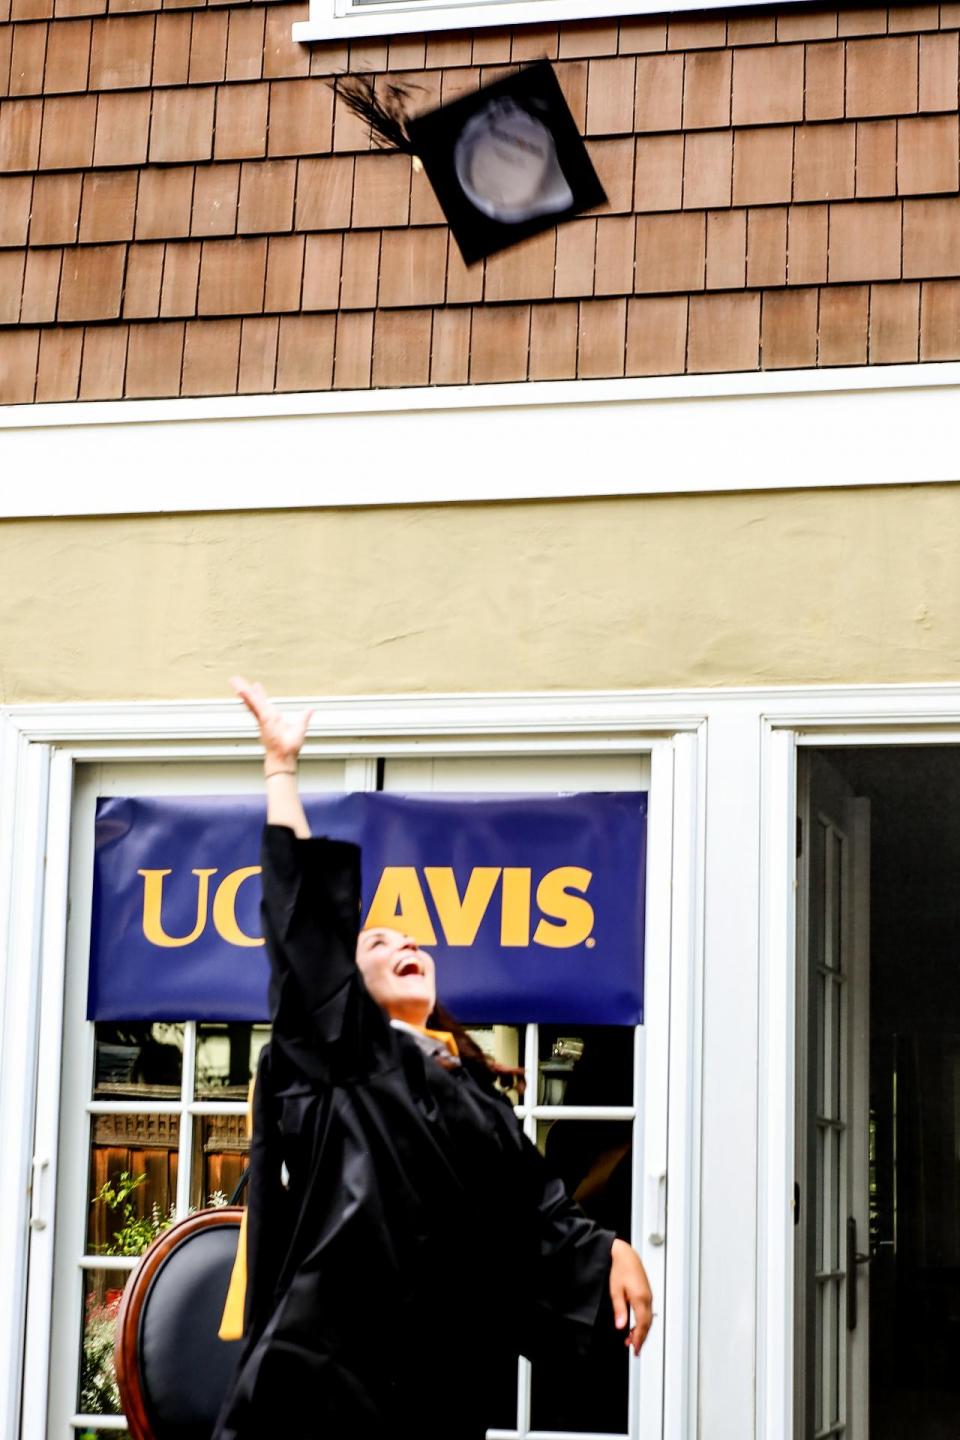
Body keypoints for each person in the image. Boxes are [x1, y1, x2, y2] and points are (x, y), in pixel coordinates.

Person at [212, 677, 653, 1440]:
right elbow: (305, 931)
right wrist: (281, 771)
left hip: (441, 1376)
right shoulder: (339, 1057)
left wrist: (608, 1249)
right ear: (344, 989)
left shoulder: (470, 1087)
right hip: (333, 1376)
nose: (405, 944)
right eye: (377, 943)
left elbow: (532, 1209)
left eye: (411, 939)